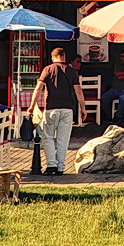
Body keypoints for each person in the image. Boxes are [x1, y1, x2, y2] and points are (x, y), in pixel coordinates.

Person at [28, 47, 86, 175]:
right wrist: (83, 108)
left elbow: (38, 89)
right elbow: (78, 91)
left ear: (52, 57)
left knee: (47, 137)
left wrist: (32, 105)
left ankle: (51, 165)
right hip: (67, 109)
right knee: (63, 140)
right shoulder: (72, 71)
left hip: (51, 109)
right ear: (64, 57)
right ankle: (60, 167)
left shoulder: (48, 69)